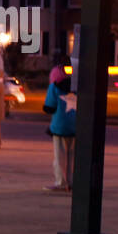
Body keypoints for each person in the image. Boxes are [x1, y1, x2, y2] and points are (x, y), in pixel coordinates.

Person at [43, 63, 77, 191]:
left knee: (60, 157)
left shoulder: (54, 87)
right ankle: (72, 182)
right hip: (75, 126)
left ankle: (62, 182)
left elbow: (49, 107)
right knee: (73, 157)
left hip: (59, 127)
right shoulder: (75, 87)